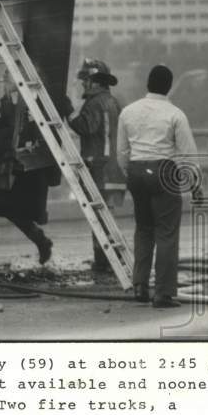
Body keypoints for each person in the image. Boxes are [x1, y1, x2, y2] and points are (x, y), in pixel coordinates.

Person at [116, 64, 202, 308]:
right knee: (166, 232)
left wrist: (131, 173)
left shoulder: (128, 112)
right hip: (163, 172)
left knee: (143, 229)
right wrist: (196, 185)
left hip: (135, 170)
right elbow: (188, 154)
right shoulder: (175, 114)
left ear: (148, 84)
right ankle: (163, 293)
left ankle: (140, 286)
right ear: (168, 86)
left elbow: (122, 151)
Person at [0, 84, 59, 264]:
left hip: (8, 164)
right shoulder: (15, 102)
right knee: (5, 208)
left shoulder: (12, 104)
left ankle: (40, 240)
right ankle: (40, 240)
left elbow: (5, 131)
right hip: (6, 162)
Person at [63, 58, 126, 275]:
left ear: (95, 81)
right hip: (116, 170)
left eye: (86, 80)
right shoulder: (114, 102)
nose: (83, 84)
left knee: (99, 220)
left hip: (99, 170)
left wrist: (68, 111)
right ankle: (114, 260)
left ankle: (103, 264)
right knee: (108, 217)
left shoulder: (94, 103)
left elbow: (85, 127)